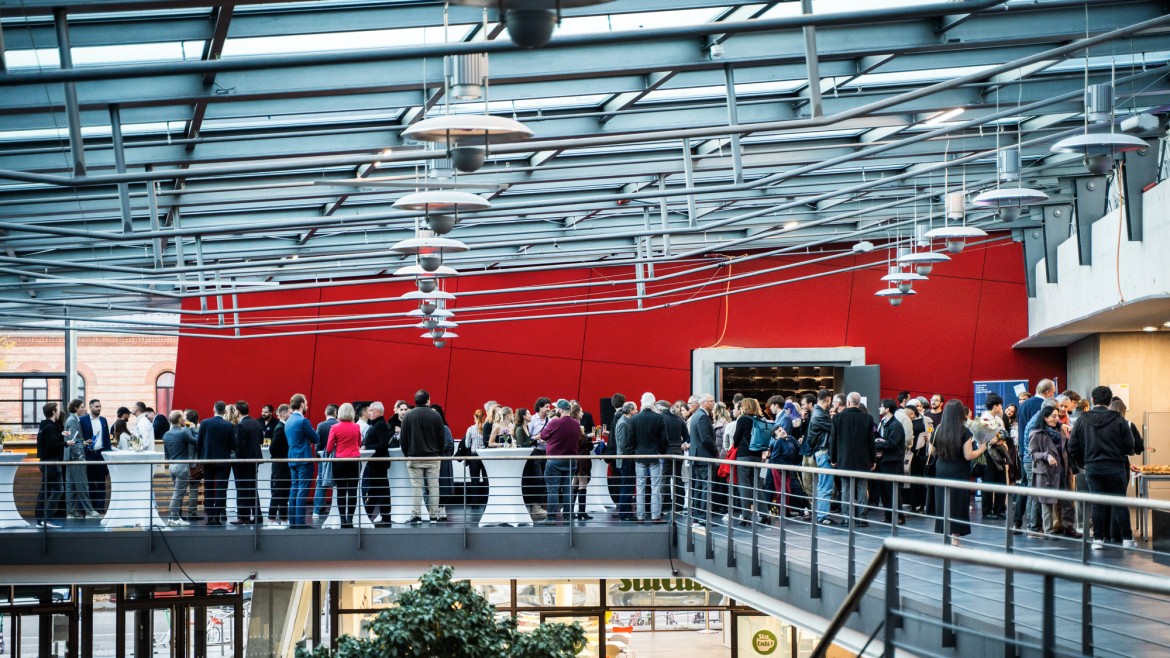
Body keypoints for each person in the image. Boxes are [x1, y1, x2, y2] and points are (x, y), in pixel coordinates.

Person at [1069, 385, 1137, 549]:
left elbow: (1072, 446)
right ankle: (1127, 539)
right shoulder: (1118, 419)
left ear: (1093, 400)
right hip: (1116, 467)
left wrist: (1083, 462)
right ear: (1109, 400)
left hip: (1093, 467)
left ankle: (1098, 539)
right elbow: (1130, 446)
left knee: (1097, 503)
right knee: (1119, 502)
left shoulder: (1082, 419)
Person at [933, 399, 996, 545]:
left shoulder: (938, 429)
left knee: (943, 502)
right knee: (958, 503)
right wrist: (982, 449)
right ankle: (955, 540)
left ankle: (945, 536)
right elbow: (968, 455)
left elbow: (932, 450)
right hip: (958, 470)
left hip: (941, 468)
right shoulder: (964, 431)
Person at [1015, 379, 1056, 532]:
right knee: (1034, 490)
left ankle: (1018, 521)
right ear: (1048, 392)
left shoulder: (1024, 404)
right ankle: (1034, 525)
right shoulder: (1041, 407)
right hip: (1034, 454)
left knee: (1026, 487)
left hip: (1024, 451)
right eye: (1053, 392)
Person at [400, 390, 446, 525]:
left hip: (414, 457)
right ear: (428, 400)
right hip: (433, 457)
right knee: (433, 486)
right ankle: (434, 516)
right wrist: (439, 453)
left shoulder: (408, 416)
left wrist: (407, 454)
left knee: (417, 487)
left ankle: (416, 515)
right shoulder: (435, 415)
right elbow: (441, 437)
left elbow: (403, 439)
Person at [830, 393, 876, 526]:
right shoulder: (868, 418)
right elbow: (871, 442)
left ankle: (846, 517)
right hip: (863, 460)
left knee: (846, 488)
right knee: (862, 488)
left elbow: (834, 441)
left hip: (844, 459)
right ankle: (862, 518)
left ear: (848, 403)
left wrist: (833, 458)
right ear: (859, 403)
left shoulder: (838, 418)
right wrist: (873, 459)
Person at [1029, 406, 1070, 539]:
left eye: (1057, 416)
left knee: (1066, 501)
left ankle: (1067, 527)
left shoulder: (1061, 431)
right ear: (1045, 418)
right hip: (1046, 473)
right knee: (1046, 502)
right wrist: (1046, 456)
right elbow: (1032, 454)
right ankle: (1048, 530)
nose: (1057, 419)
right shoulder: (1037, 433)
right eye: (1053, 416)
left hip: (1062, 471)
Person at [539, 399, 580, 525]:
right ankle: (568, 516)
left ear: (560, 410)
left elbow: (543, 436)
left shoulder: (555, 422)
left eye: (557, 408)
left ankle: (551, 518)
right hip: (571, 460)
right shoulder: (576, 423)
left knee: (552, 490)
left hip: (555, 460)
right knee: (567, 489)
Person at [630, 392, 669, 524]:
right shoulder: (658, 418)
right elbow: (664, 438)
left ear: (642, 402)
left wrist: (635, 451)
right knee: (655, 487)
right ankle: (655, 516)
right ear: (653, 402)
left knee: (640, 487)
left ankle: (640, 516)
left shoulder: (635, 418)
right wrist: (661, 451)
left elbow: (631, 438)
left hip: (640, 455)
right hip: (654, 455)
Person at [730, 397, 769, 526]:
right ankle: (765, 514)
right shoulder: (760, 420)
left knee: (744, 485)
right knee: (757, 484)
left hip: (743, 455)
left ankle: (746, 515)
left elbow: (736, 439)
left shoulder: (742, 419)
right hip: (757, 455)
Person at [195, 401, 235, 526]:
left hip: (208, 460)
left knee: (209, 488)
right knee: (221, 488)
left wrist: (200, 460)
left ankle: (210, 516)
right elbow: (233, 445)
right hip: (224, 461)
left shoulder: (205, 423)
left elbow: (199, 443)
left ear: (214, 409)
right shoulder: (229, 425)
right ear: (224, 411)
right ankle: (217, 517)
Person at [326, 403, 363, 528]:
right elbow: (359, 443)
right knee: (353, 491)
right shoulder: (356, 427)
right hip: (354, 461)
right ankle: (350, 519)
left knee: (341, 491)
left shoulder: (334, 427)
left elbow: (329, 448)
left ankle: (343, 519)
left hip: (340, 461)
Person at [62, 399, 99, 519]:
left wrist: (83, 442)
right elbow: (72, 441)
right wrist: (80, 456)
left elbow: (74, 440)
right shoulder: (73, 421)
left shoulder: (71, 419)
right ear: (76, 408)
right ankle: (89, 511)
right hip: (76, 458)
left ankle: (71, 512)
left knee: (71, 486)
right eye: (82, 407)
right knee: (82, 484)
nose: (84, 409)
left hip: (70, 457)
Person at [285, 394, 317, 528]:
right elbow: (316, 438)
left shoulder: (288, 421)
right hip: (304, 459)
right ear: (302, 404)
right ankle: (300, 522)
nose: (307, 406)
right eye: (306, 403)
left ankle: (293, 521)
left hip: (292, 458)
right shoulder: (303, 421)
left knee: (294, 489)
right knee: (302, 490)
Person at [687, 394, 719, 526]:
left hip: (697, 457)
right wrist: (716, 451)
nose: (713, 403)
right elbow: (706, 439)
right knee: (706, 487)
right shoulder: (702, 417)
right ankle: (703, 517)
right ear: (704, 402)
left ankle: (697, 516)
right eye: (711, 401)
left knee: (699, 487)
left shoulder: (696, 415)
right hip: (704, 457)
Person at [874, 399, 906, 525]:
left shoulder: (895, 425)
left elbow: (892, 443)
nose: (879, 408)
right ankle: (888, 515)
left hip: (893, 463)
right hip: (884, 461)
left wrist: (878, 444)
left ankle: (899, 516)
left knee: (893, 490)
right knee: (884, 490)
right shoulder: (883, 423)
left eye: (881, 406)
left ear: (887, 409)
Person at [232, 401, 264, 525]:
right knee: (253, 488)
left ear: (238, 411)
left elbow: (240, 446)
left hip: (244, 462)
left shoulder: (241, 425)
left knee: (242, 489)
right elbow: (261, 440)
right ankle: (257, 515)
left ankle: (243, 516)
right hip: (255, 460)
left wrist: (237, 461)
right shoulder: (256, 422)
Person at [35, 401, 66, 529]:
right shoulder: (50, 427)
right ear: (53, 411)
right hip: (52, 462)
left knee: (45, 491)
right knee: (58, 489)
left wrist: (60, 435)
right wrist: (66, 443)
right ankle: (47, 518)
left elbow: (49, 441)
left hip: (45, 462)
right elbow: (52, 446)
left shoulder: (44, 426)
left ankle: (40, 519)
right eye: (57, 410)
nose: (59, 412)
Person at [163, 410, 196, 527]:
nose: (185, 419)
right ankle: (174, 518)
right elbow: (197, 441)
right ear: (179, 420)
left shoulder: (166, 434)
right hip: (182, 466)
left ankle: (173, 517)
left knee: (177, 493)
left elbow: (166, 454)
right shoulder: (183, 432)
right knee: (178, 494)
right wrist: (193, 428)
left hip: (172, 466)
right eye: (183, 417)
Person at [806, 389, 834, 525]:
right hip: (823, 452)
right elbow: (834, 429)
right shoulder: (821, 414)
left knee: (822, 485)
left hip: (820, 452)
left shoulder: (817, 413)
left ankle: (821, 514)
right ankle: (823, 516)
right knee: (825, 486)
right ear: (828, 400)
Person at [979, 394, 1008, 520]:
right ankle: (987, 511)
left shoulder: (999, 419)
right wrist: (994, 439)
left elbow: (1004, 433)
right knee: (988, 481)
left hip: (999, 452)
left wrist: (1001, 438)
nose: (1001, 407)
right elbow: (983, 438)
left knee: (1001, 481)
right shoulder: (983, 419)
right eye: (1000, 405)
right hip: (988, 453)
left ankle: (999, 510)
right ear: (995, 406)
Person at [363, 402, 392, 527]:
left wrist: (367, 448)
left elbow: (383, 444)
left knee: (379, 489)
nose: (369, 413)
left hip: (378, 463)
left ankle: (381, 515)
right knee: (375, 489)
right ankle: (369, 514)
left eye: (372, 411)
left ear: (379, 412)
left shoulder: (380, 425)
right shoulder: (376, 424)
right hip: (376, 462)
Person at [657, 399, 689, 516]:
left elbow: (659, 437)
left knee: (665, 478)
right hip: (678, 452)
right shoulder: (679, 419)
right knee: (678, 478)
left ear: (660, 408)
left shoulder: (661, 418)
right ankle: (679, 505)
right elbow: (687, 436)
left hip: (666, 452)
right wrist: (682, 444)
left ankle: (665, 506)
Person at [80, 399, 111, 513]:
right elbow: (79, 437)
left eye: (100, 406)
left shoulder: (103, 420)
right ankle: (92, 508)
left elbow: (106, 439)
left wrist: (108, 455)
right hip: (88, 454)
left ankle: (100, 508)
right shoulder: (82, 420)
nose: (99, 408)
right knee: (90, 482)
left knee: (101, 482)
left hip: (101, 454)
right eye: (97, 406)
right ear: (91, 407)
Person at [612, 400, 637, 522]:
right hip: (626, 460)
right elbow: (623, 445)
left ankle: (627, 512)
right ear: (631, 410)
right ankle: (624, 513)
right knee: (627, 486)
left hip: (626, 459)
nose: (637, 411)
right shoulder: (624, 423)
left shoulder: (625, 421)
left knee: (627, 486)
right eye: (636, 409)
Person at [267, 404, 291, 527]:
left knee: (284, 493)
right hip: (280, 466)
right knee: (277, 492)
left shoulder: (283, 427)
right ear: (283, 414)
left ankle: (284, 519)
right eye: (290, 413)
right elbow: (273, 448)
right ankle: (271, 519)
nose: (291, 415)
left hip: (283, 465)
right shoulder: (280, 428)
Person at [313, 404, 339, 518]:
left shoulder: (320, 425)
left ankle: (317, 510)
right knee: (337, 484)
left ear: (325, 413)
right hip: (337, 458)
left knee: (320, 483)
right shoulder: (338, 424)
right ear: (335, 413)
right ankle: (336, 509)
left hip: (323, 457)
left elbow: (317, 443)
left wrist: (317, 458)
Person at [571, 402, 595, 521]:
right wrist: (588, 440)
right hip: (582, 459)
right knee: (582, 484)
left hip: (576, 458)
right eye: (581, 411)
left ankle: (571, 510)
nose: (582, 413)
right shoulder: (577, 426)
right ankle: (581, 511)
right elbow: (584, 443)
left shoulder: (573, 425)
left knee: (575, 483)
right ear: (577, 412)